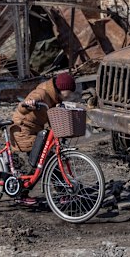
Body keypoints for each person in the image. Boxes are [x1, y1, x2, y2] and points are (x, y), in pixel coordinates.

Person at [10, 72, 76, 205]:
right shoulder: (42, 94)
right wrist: (29, 103)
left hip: (36, 131)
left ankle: (63, 191)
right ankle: (21, 194)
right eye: (68, 94)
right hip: (23, 130)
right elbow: (22, 107)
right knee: (44, 160)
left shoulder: (54, 97)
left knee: (47, 159)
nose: (69, 97)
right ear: (61, 89)